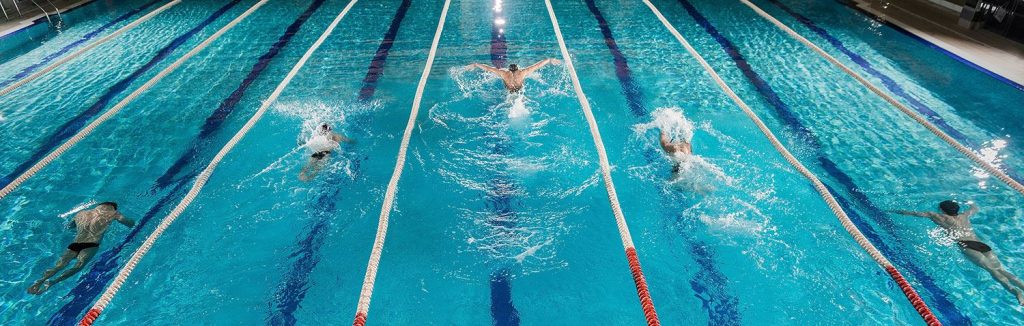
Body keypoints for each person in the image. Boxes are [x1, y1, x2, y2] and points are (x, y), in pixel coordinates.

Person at [893, 200, 1024, 305]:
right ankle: (1021, 286)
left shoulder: (938, 216)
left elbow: (913, 213)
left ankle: (1015, 292)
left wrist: (894, 211)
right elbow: (975, 208)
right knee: (1000, 268)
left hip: (967, 245)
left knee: (992, 271)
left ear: (942, 210)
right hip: (982, 245)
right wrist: (970, 202)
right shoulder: (964, 215)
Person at [28, 202, 134, 295]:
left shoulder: (81, 213)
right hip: (91, 245)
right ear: (111, 208)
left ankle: (40, 281)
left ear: (98, 206)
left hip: (75, 244)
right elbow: (129, 223)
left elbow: (70, 226)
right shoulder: (113, 213)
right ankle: (53, 282)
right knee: (78, 266)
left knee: (59, 266)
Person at [469, 58, 561, 93]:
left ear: (509, 70)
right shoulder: (523, 72)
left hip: (508, 90)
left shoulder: (503, 73)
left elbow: (488, 68)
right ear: (518, 69)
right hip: (520, 90)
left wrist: (476, 64)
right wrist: (549, 60)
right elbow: (537, 65)